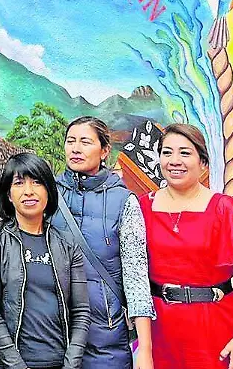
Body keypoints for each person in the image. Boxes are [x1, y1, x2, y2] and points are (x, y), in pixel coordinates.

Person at [140, 123, 233, 369]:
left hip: (214, 326)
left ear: (203, 163)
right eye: (167, 153)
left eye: (185, 153)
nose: (175, 161)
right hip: (159, 328)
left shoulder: (224, 208)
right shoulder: (142, 208)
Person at [51, 117, 155, 369]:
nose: (76, 148)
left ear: (105, 150)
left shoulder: (124, 201)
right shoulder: (49, 194)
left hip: (105, 333)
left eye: (85, 142)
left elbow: (136, 275)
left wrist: (145, 349)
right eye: (70, 141)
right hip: (52, 330)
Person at [0, 152, 92, 369]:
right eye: (19, 183)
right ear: (9, 194)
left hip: (57, 362)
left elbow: (81, 312)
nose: (28, 191)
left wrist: (71, 364)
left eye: (37, 182)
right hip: (4, 363)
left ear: (48, 191)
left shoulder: (67, 243)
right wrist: (17, 366)